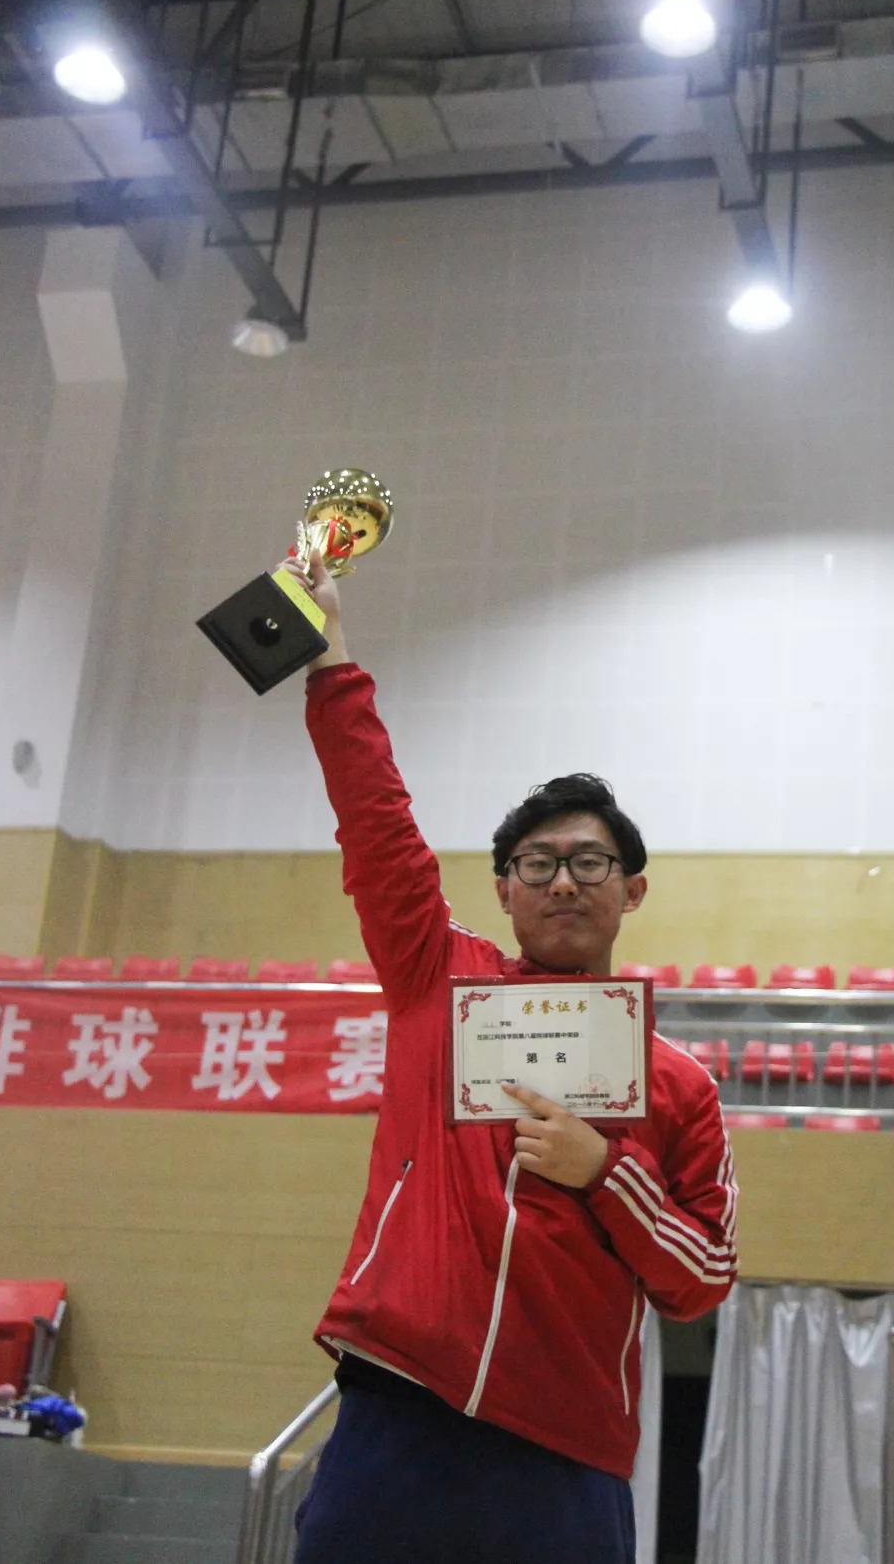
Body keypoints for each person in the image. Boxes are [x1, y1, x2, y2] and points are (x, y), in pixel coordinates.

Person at [281, 548, 737, 1564]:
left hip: (564, 1449)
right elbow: (377, 823)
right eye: (537, 864)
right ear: (503, 889)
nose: (563, 883)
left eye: (589, 862)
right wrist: (330, 652)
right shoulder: (439, 978)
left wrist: (606, 1170)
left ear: (633, 890)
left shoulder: (679, 1084)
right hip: (399, 1407)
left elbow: (703, 1277)